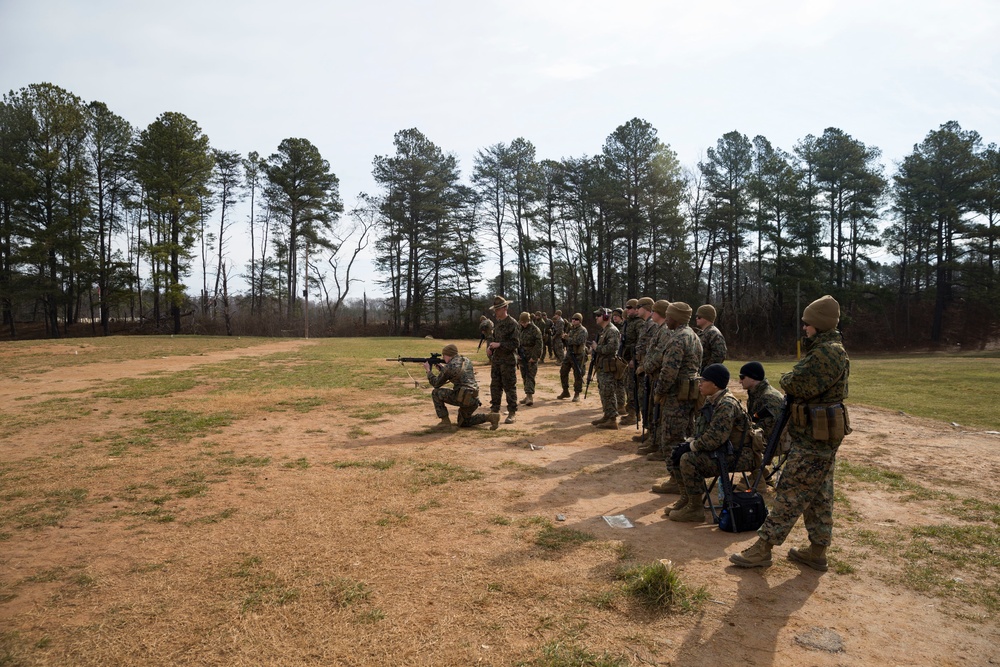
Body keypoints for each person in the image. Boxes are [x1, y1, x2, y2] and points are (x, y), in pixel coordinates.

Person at [730, 295, 850, 571]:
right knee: (818, 493)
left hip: (814, 438)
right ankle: (817, 551)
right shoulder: (825, 349)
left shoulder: (827, 352)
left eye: (808, 324)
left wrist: (787, 379)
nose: (804, 329)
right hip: (816, 435)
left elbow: (797, 383)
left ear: (819, 325)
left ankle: (763, 548)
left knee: (790, 491)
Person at [668, 364, 756, 522]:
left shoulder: (726, 404)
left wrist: (691, 446)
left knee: (688, 459)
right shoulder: (712, 400)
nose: (699, 384)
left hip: (738, 455)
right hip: (723, 451)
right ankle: (687, 499)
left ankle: (695, 509)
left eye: (703, 380)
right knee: (677, 453)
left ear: (715, 384)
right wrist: (688, 443)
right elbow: (701, 432)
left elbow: (714, 438)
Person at [649, 302, 703, 494]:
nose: (667, 319)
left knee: (671, 439)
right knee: (687, 436)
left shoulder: (678, 339)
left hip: (676, 396)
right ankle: (686, 478)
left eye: (669, 316)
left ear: (676, 318)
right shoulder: (694, 337)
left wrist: (659, 391)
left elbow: (669, 371)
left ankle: (676, 479)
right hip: (690, 394)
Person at [425, 344, 500, 430]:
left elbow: (436, 383)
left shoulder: (449, 367)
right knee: (463, 423)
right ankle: (490, 417)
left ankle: (445, 422)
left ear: (447, 355)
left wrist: (428, 371)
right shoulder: (466, 360)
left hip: (462, 397)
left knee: (436, 393)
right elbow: (458, 375)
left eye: (444, 355)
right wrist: (442, 369)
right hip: (473, 398)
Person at [638, 300, 671, 458]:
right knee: (652, 409)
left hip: (657, 374)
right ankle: (654, 440)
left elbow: (659, 354)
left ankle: (658, 443)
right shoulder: (660, 328)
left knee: (658, 410)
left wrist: (645, 366)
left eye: (654, 311)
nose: (651, 313)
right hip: (653, 375)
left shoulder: (665, 330)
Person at [487, 295, 520, 424]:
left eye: (498, 309)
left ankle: (512, 412)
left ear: (505, 308)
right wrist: (491, 347)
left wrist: (500, 345)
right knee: (495, 386)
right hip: (497, 360)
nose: (496, 312)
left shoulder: (513, 324)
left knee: (509, 387)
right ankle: (494, 410)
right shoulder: (498, 324)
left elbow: (515, 343)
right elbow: (494, 338)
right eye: (495, 309)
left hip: (508, 361)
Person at [589, 307, 622, 429]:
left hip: (608, 367)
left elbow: (611, 349)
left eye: (598, 315)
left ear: (606, 317)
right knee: (604, 392)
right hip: (603, 366)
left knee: (608, 392)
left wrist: (596, 348)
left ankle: (612, 419)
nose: (596, 318)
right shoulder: (604, 331)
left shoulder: (612, 331)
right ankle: (607, 415)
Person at [631, 297, 657, 445]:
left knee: (647, 400)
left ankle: (651, 432)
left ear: (646, 308)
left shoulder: (652, 326)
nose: (636, 309)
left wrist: (644, 365)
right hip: (641, 367)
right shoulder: (646, 325)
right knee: (643, 399)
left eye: (638, 307)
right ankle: (648, 430)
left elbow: (653, 350)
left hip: (647, 368)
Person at [739, 361, 784, 443]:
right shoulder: (755, 393)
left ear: (752, 378)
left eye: (742, 377)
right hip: (759, 438)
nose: (740, 381)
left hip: (772, 442)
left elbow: (768, 430)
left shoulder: (770, 398)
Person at [620, 299, 641, 427]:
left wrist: (635, 359)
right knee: (628, 386)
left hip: (634, 360)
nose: (627, 310)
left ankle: (634, 414)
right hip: (626, 359)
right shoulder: (627, 323)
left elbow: (641, 343)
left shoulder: (639, 323)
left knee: (633, 387)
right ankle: (632, 413)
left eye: (630, 307)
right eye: (626, 307)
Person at [558, 312, 588, 402]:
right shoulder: (571, 329)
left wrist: (568, 338)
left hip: (578, 355)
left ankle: (577, 393)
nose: (574, 321)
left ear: (580, 321)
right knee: (563, 371)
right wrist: (564, 338)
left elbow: (579, 341)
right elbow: (569, 341)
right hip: (569, 354)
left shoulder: (583, 330)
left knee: (578, 374)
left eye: (576, 319)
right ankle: (565, 391)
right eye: (573, 319)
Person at [517, 311, 543, 407]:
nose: (523, 324)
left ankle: (529, 396)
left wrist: (535, 357)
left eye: (525, 322)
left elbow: (539, 344)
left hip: (531, 356)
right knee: (524, 375)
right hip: (522, 356)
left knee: (530, 375)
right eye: (522, 322)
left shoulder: (535, 330)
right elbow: (516, 342)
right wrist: (517, 354)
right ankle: (526, 395)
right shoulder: (519, 329)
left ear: (529, 321)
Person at [696, 304, 727, 371]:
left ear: (706, 318)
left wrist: (708, 370)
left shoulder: (714, 333)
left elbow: (720, 354)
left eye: (699, 317)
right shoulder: (701, 333)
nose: (696, 318)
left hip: (706, 374)